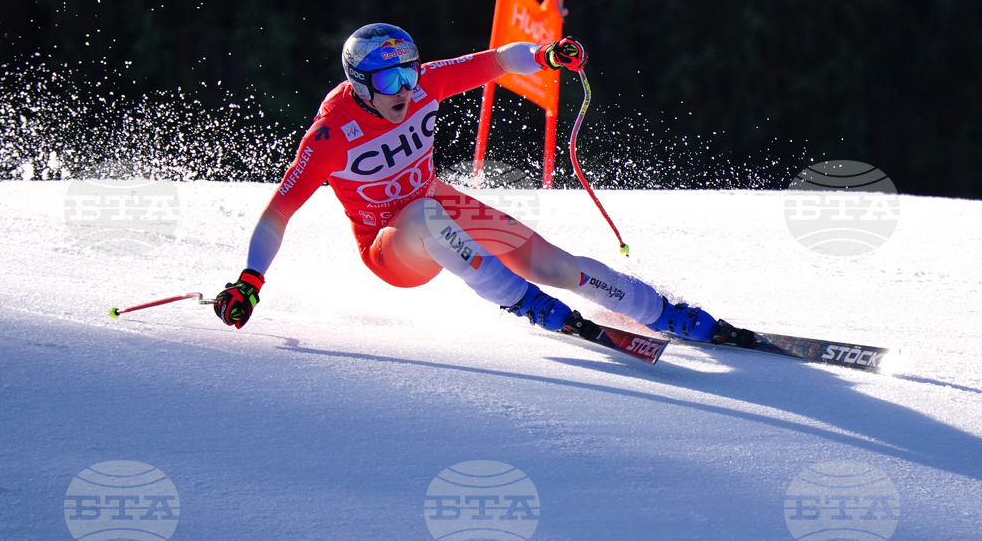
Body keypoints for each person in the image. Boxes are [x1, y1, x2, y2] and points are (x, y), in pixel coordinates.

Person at [215, 23, 752, 347]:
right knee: (424, 215)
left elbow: (496, 61)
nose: (405, 88)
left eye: (410, 72)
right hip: (390, 250)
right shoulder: (331, 134)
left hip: (438, 207)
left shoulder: (423, 84)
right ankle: (523, 302)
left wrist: (544, 56)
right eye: (390, 80)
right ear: (359, 84)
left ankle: (664, 313)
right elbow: (277, 213)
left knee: (552, 263)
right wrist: (250, 280)